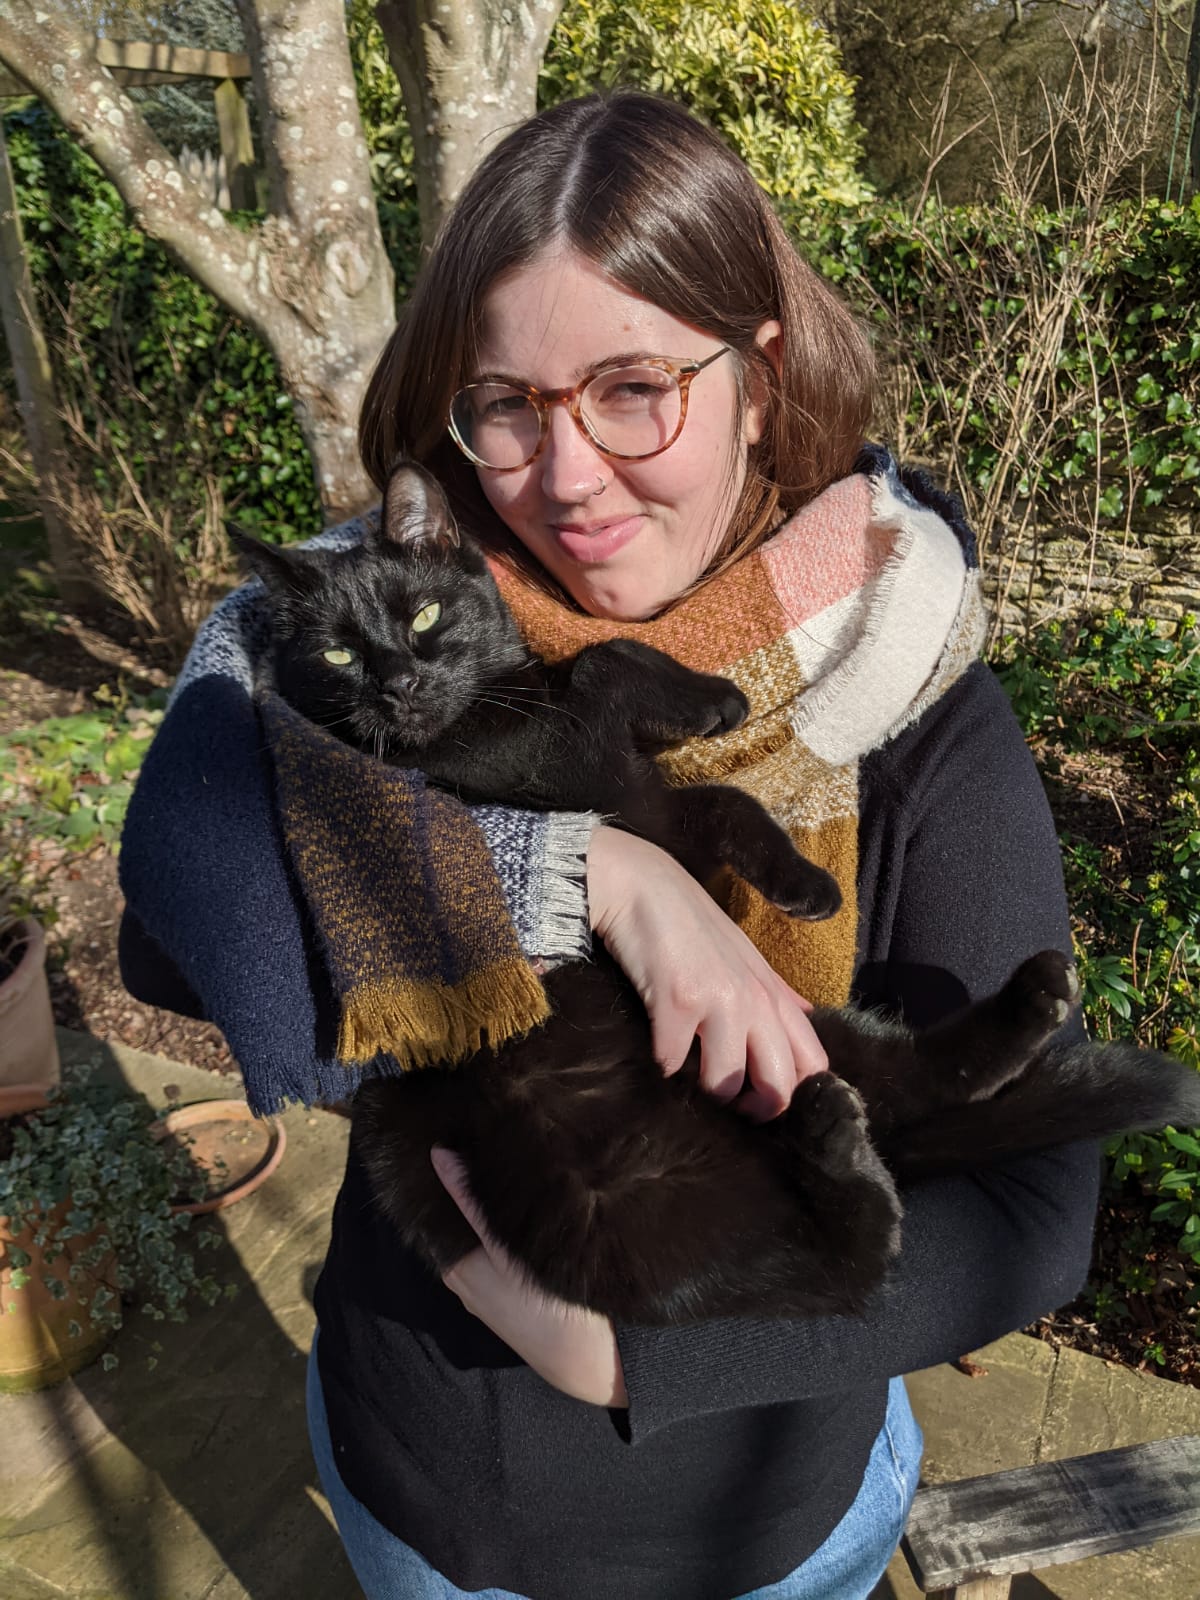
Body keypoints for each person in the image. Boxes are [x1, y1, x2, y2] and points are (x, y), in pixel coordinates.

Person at [118, 91, 1099, 1600]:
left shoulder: (904, 694)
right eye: (504, 403)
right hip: (415, 1487)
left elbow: (1037, 1215)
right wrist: (594, 880)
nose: (564, 477)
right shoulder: (382, 638)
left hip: (770, 1528)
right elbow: (172, 928)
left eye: (633, 387)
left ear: (759, 380)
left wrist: (625, 1351)